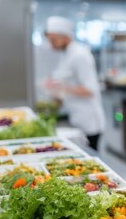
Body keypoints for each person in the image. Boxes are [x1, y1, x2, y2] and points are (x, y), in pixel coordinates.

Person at [43, 16, 105, 150]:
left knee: (91, 156)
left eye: (53, 40)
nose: (51, 44)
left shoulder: (80, 55)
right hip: (76, 118)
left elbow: (90, 90)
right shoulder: (65, 54)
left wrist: (61, 88)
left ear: (65, 37)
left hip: (89, 121)